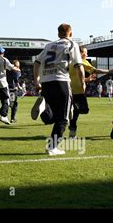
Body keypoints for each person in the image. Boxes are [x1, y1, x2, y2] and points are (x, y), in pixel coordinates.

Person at [31, 23, 85, 155]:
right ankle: (52, 147)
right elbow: (79, 66)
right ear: (70, 34)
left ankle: (43, 107)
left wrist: (36, 80)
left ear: (58, 34)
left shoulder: (49, 45)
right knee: (64, 117)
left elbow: (37, 63)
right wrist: (82, 82)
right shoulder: (72, 44)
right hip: (61, 81)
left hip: (46, 82)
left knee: (52, 117)